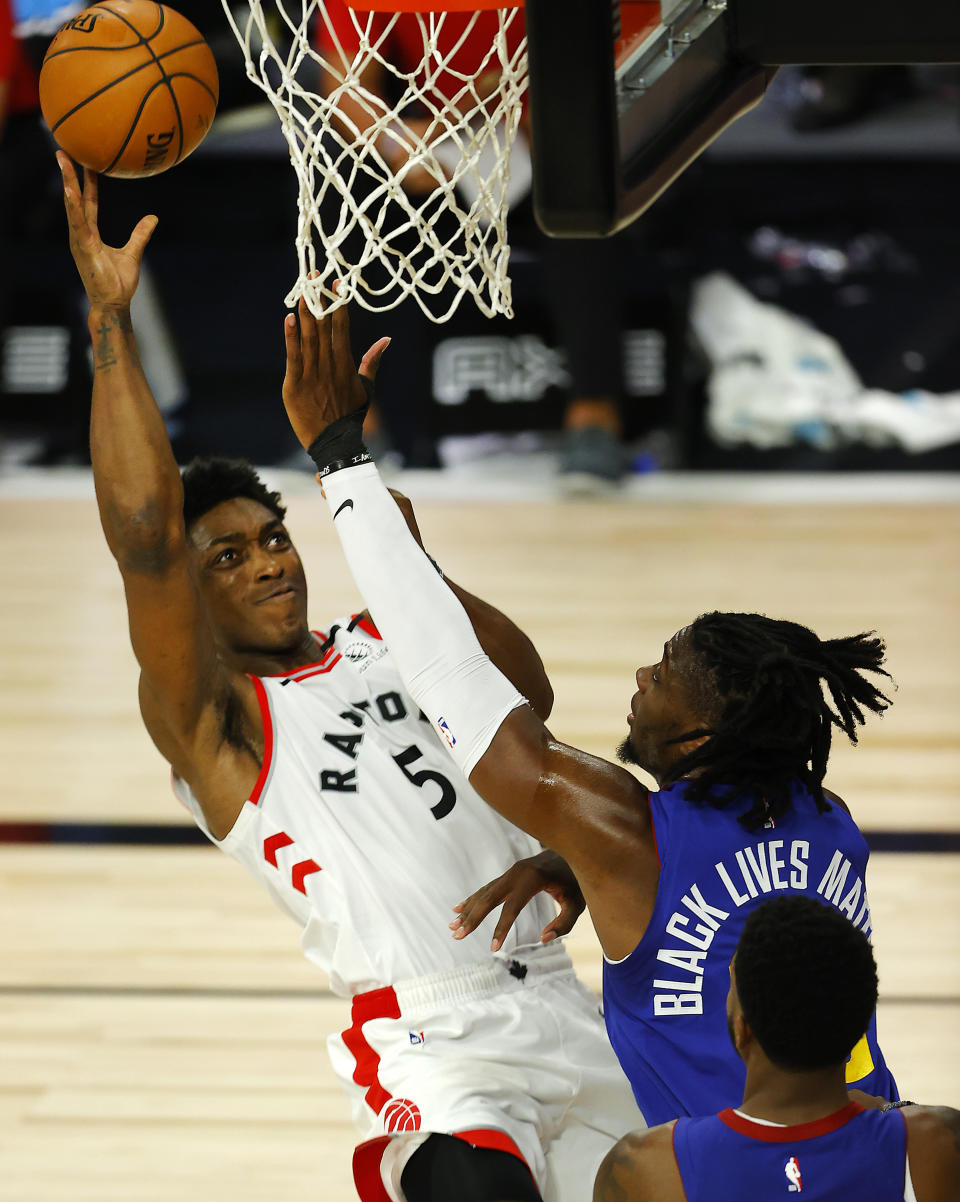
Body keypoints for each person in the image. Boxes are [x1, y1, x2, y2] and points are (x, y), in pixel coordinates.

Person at [57, 153, 643, 1202]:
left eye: (272, 536)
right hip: (432, 1040)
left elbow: (529, 698)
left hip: (567, 1004)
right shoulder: (219, 720)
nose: (271, 559)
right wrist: (111, 327)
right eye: (227, 557)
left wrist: (403, 552)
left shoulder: (386, 632)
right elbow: (145, 538)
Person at [276, 292, 901, 1127]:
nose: (643, 672)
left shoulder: (626, 831)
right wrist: (580, 867)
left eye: (667, 669)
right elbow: (730, 905)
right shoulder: (829, 822)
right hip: (871, 1154)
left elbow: (460, 685)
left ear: (704, 734)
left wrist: (340, 458)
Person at [315, 0, 630, 489]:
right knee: (341, 196)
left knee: (580, 189)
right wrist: (402, 147)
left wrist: (522, 131)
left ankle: (595, 420)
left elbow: (605, 66)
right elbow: (346, 88)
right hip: (431, 140)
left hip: (543, 127)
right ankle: (356, 429)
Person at [593, 895, 960, 1201]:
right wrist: (891, 1108)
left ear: (742, 1028)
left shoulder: (645, 1168)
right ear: (858, 1031)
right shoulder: (937, 1145)